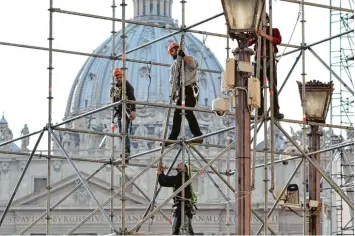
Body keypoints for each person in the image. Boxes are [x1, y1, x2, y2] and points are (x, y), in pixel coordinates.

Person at [165, 42, 203, 146]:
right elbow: (173, 83)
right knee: (177, 113)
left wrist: (184, 56)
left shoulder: (189, 59)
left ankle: (198, 135)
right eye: (171, 52)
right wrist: (173, 94)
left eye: (174, 51)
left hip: (190, 89)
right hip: (181, 91)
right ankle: (173, 137)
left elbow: (193, 65)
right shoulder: (173, 67)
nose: (173, 54)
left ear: (178, 49)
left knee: (188, 111)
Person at [248, 13, 284, 120]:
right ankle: (259, 111)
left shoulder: (273, 30)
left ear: (268, 20)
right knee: (257, 87)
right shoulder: (257, 32)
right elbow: (249, 42)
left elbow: (278, 40)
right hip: (258, 61)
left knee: (272, 87)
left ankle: (275, 111)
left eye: (265, 19)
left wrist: (264, 35)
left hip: (270, 60)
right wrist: (254, 35)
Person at [156, 162, 197, 235]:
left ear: (185, 168)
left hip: (184, 206)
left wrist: (161, 173)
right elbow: (163, 182)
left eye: (181, 164)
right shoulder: (179, 178)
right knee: (176, 228)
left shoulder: (183, 176)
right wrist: (160, 174)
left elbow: (169, 179)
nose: (178, 164)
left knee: (185, 228)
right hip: (179, 205)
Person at [110, 68, 136, 158]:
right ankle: (125, 149)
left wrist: (133, 111)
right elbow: (115, 101)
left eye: (120, 77)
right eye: (117, 78)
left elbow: (132, 99)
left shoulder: (128, 86)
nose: (119, 79)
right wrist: (112, 95)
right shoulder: (117, 88)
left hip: (126, 112)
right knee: (121, 132)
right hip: (120, 113)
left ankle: (127, 150)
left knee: (124, 131)